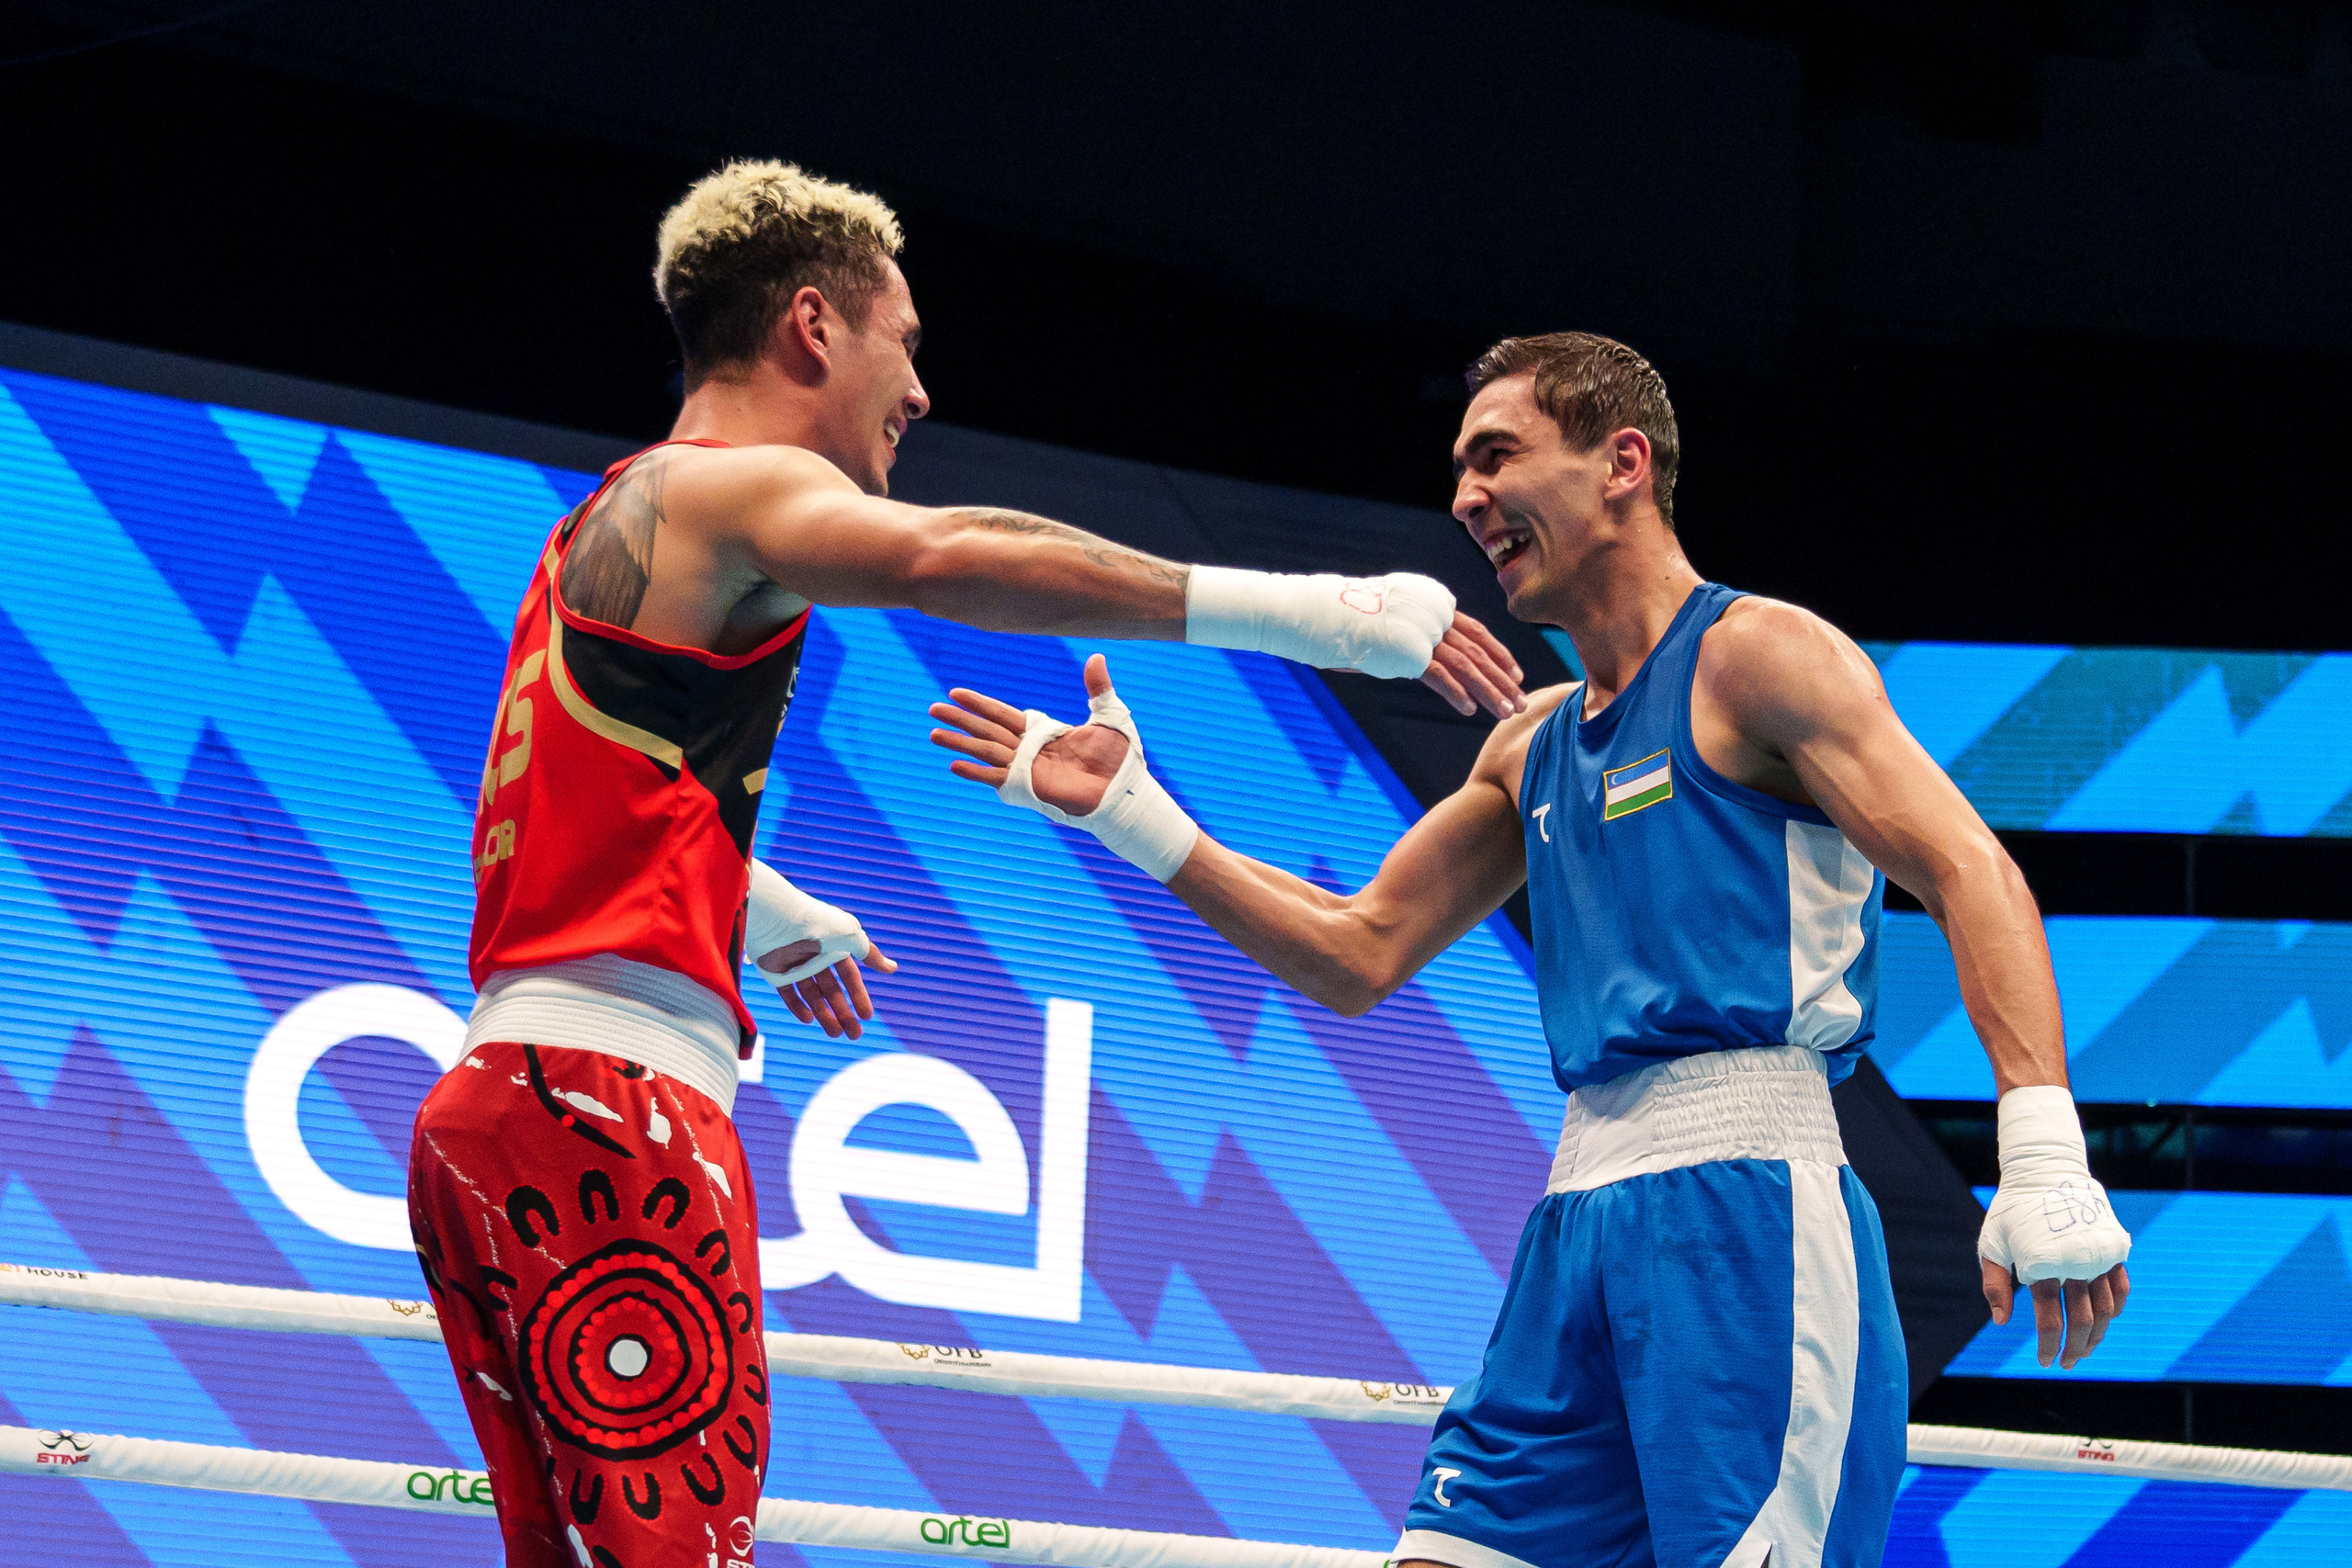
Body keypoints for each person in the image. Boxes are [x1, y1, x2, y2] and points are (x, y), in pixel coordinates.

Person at [404, 158, 1527, 1568]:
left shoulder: (599, 528)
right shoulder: (732, 489)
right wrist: (1319, 616)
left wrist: (747, 905)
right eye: (906, 340)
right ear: (813, 325)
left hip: (503, 1104)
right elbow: (948, 554)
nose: (921, 393)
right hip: (605, 1112)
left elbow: (568, 805)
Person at [928, 331, 2135, 1568]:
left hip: (1752, 1216)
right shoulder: (1532, 744)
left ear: (1622, 463)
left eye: (1496, 456)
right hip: (1577, 1229)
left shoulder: (1760, 657)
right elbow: (1358, 950)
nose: (1465, 497)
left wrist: (2043, 1153)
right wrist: (1139, 817)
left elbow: (1967, 867)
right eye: (1459, 468)